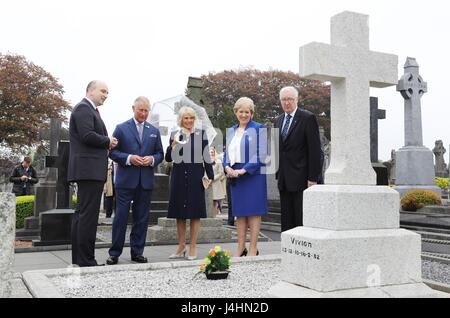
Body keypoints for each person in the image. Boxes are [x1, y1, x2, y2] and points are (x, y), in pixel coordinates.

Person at [106, 96, 164, 265]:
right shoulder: (121, 128)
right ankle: (114, 253)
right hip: (125, 182)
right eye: (141, 110)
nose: (144, 113)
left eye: (147, 110)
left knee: (141, 218)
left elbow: (160, 153)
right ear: (133, 109)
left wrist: (152, 160)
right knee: (121, 217)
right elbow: (112, 153)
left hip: (145, 181)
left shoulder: (154, 130)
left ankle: (137, 252)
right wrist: (129, 158)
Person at [68, 80, 118, 267]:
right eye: (103, 91)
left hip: (88, 169)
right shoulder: (83, 109)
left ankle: (81, 259)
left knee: (82, 215)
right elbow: (87, 135)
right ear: (90, 90)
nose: (105, 95)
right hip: (88, 170)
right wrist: (108, 141)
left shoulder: (89, 110)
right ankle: (86, 260)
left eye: (107, 92)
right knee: (87, 216)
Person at [165, 106, 214, 260]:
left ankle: (192, 247)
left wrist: (210, 175)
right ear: (181, 119)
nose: (189, 121)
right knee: (179, 214)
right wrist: (172, 144)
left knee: (195, 214)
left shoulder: (201, 135)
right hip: (179, 177)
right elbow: (168, 158)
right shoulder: (175, 134)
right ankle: (180, 246)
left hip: (195, 176)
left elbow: (206, 156)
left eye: (191, 118)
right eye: (186, 118)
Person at [223, 97, 267, 257]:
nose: (243, 115)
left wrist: (243, 170)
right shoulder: (231, 131)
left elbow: (261, 154)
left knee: (253, 213)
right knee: (240, 213)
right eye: (240, 111)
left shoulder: (259, 128)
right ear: (236, 112)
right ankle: (240, 248)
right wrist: (226, 166)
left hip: (252, 176)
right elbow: (226, 153)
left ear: (252, 113)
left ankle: (253, 248)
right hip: (235, 176)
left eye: (247, 112)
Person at [275, 86, 322, 232]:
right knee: (287, 221)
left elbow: (315, 150)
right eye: (284, 99)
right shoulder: (278, 120)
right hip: (284, 179)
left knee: (301, 220)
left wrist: (313, 178)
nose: (287, 103)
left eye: (290, 99)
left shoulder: (307, 118)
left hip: (302, 179)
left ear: (297, 100)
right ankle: (288, 250)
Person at [209, 147, 226, 217]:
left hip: (215, 183)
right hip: (208, 183)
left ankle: (214, 216)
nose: (211, 153)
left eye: (212, 152)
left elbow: (221, 172)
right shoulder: (206, 161)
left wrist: (213, 178)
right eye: (210, 152)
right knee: (208, 200)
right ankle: (209, 216)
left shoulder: (218, 161)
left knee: (215, 200)